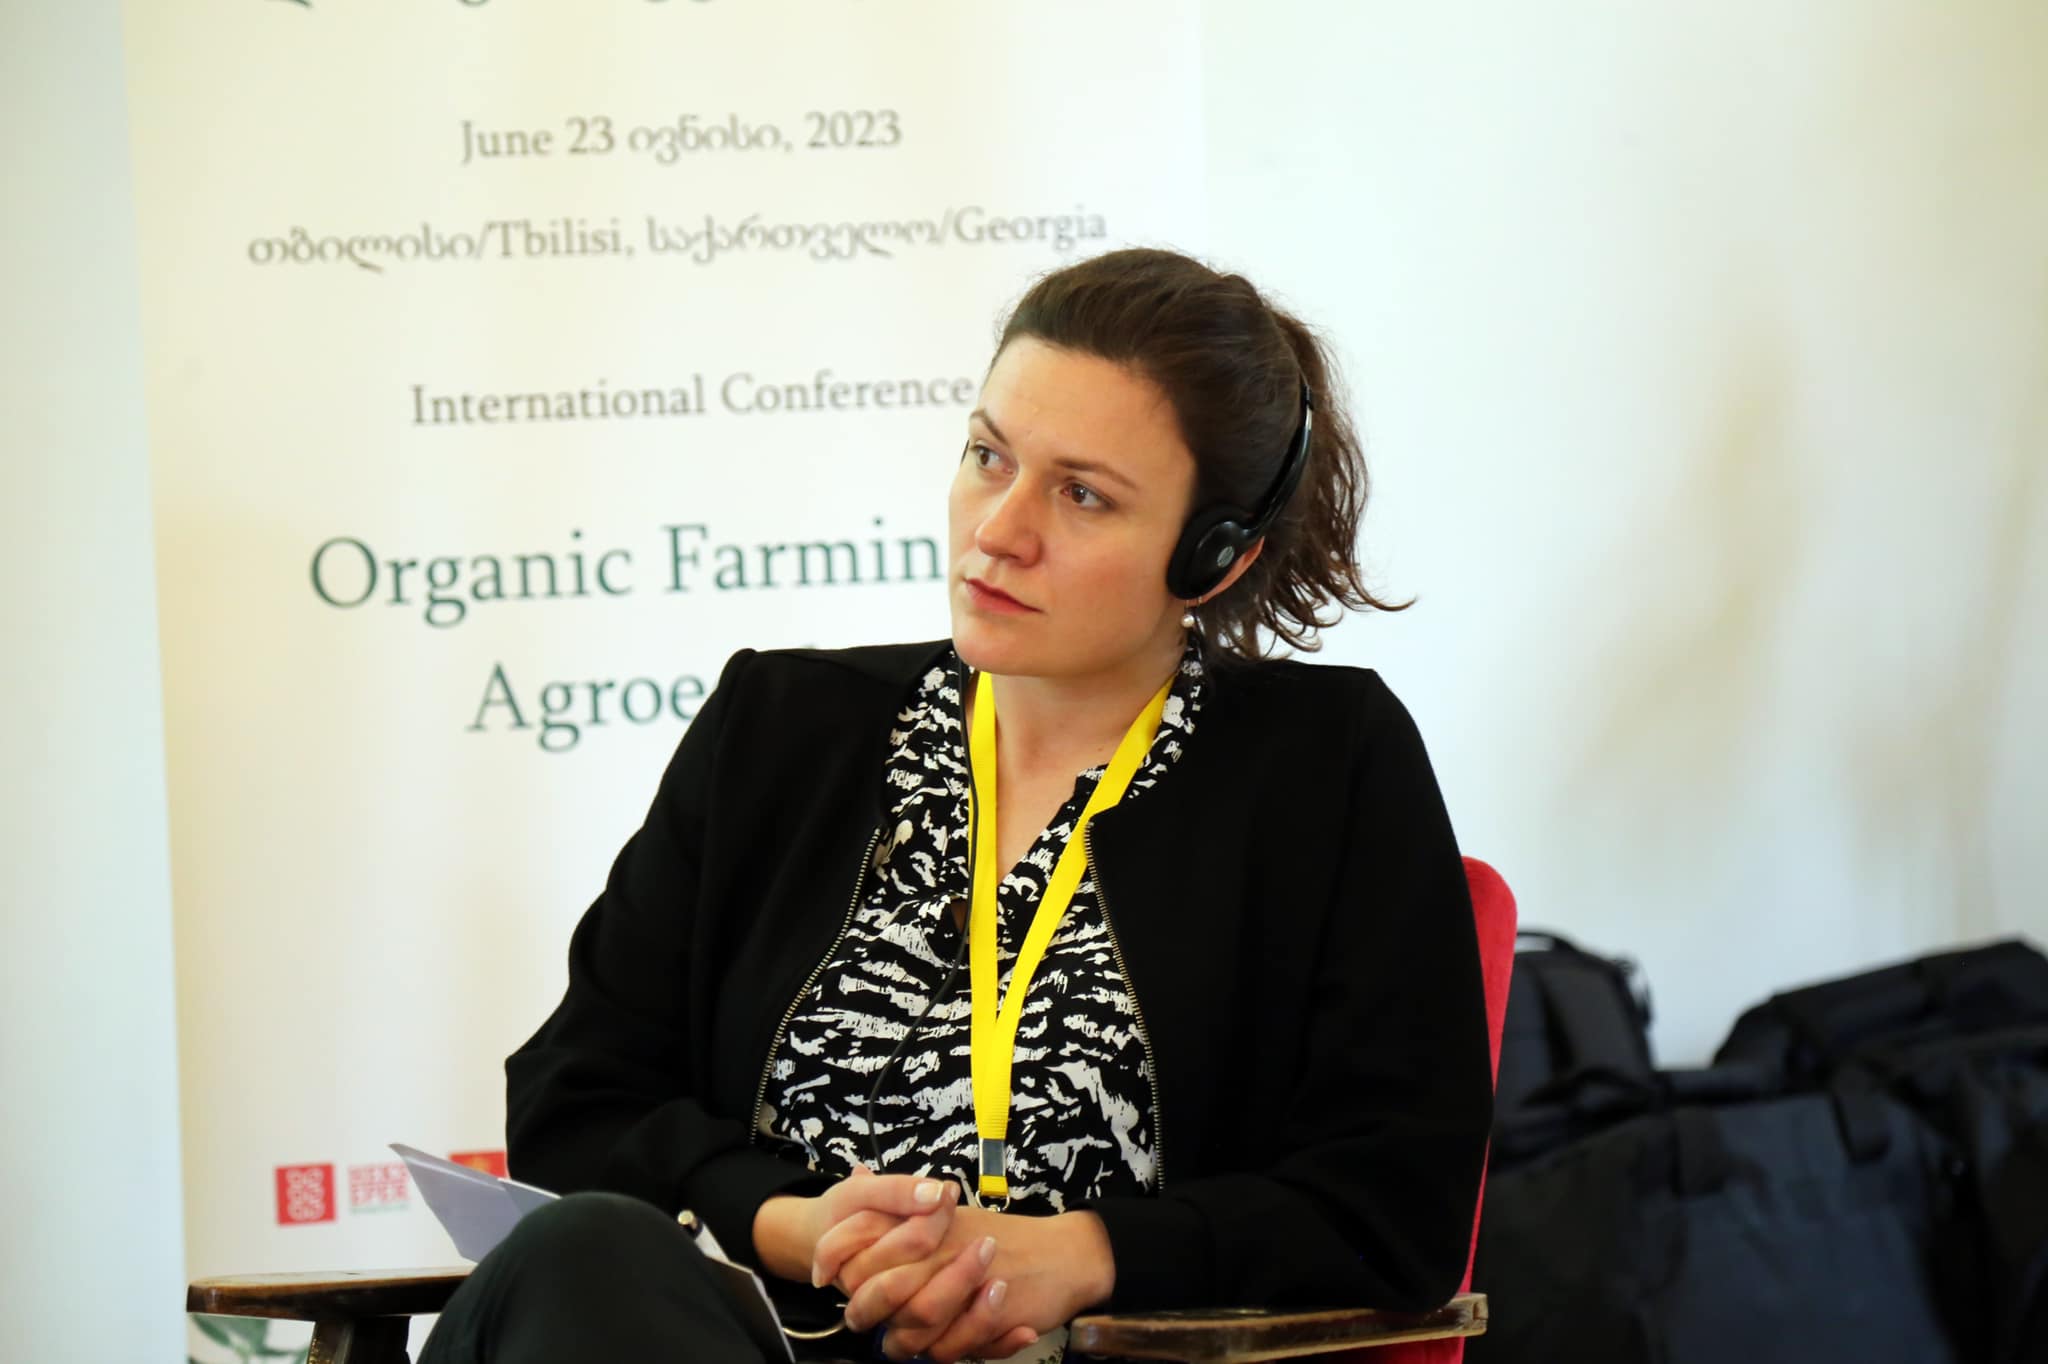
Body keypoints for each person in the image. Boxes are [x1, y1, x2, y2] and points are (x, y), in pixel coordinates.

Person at [420, 248, 1493, 1364]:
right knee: (583, 1252)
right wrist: (792, 1224)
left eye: (1082, 494)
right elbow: (573, 1100)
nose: (999, 529)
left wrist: (1086, 1252)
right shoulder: (779, 728)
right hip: (742, 1342)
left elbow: (1396, 1203)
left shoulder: (1325, 765)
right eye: (989, 456)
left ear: (1214, 557)